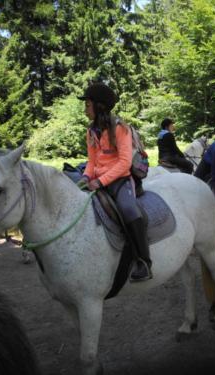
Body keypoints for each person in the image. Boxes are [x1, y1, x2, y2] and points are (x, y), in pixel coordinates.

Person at [76, 81, 152, 282]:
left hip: (120, 181)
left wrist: (100, 182)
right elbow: (92, 162)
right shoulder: (91, 131)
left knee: (129, 210)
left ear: (99, 106)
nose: (85, 109)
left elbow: (125, 163)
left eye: (87, 104)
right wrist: (85, 177)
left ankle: (144, 262)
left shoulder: (120, 129)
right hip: (98, 180)